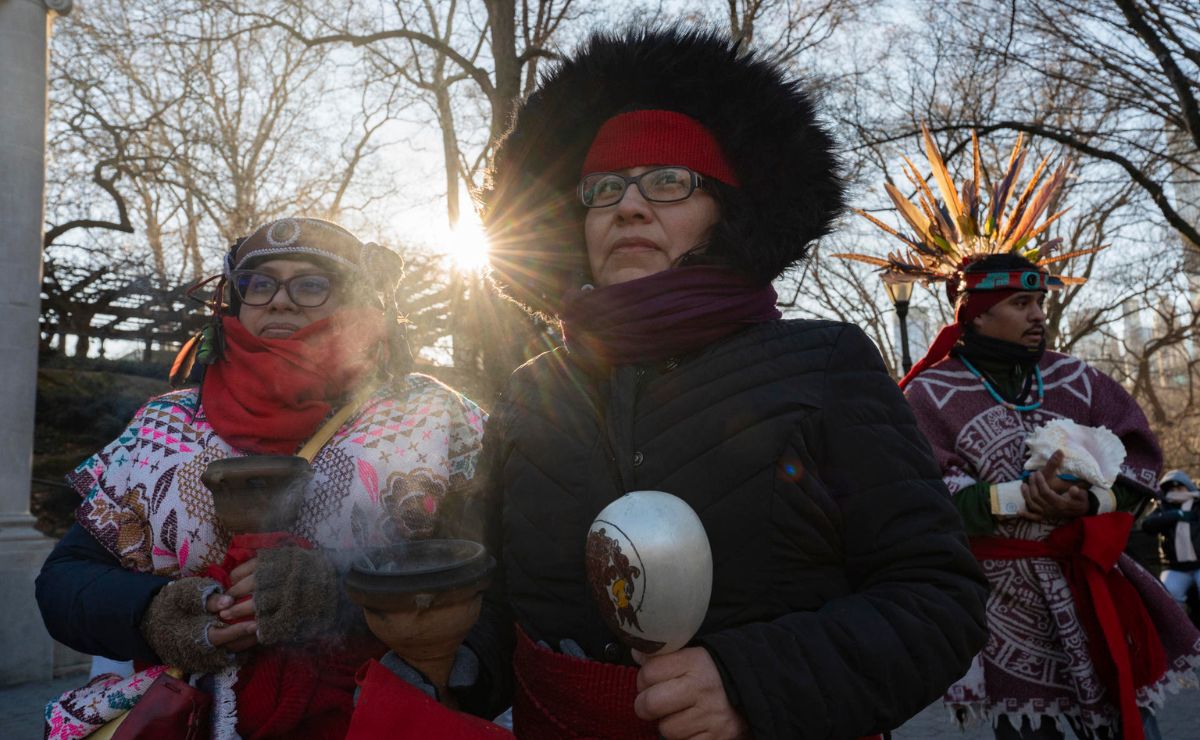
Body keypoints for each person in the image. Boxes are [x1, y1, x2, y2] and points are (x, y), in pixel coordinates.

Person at [454, 27, 990, 739]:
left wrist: (753, 681)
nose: (630, 207)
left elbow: (938, 598)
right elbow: (502, 600)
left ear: (725, 213)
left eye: (670, 182)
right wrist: (448, 663)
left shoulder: (824, 363)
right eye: (603, 188)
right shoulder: (529, 392)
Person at [36, 217, 487, 739]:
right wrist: (151, 613)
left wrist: (338, 593)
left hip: (375, 713)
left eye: (312, 285)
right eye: (259, 283)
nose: (279, 301)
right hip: (189, 719)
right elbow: (64, 581)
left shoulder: (432, 419)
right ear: (234, 300)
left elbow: (486, 567)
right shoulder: (162, 426)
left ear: (361, 303)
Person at [844, 130, 1200, 739]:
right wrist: (1015, 499)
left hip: (1096, 588)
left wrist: (1089, 499)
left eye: (1040, 304)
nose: (1039, 316)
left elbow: (1139, 460)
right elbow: (912, 500)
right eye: (1019, 305)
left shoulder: (1078, 379)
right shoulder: (927, 395)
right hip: (1000, 606)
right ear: (975, 313)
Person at [1142, 471, 1200, 621]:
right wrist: (1176, 515)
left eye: (1180, 488)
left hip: (1199, 565)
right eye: (1171, 490)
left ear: (1188, 487)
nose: (1175, 493)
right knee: (1169, 596)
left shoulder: (1197, 504)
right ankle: (1183, 632)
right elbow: (1148, 525)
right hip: (1175, 567)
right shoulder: (1163, 507)